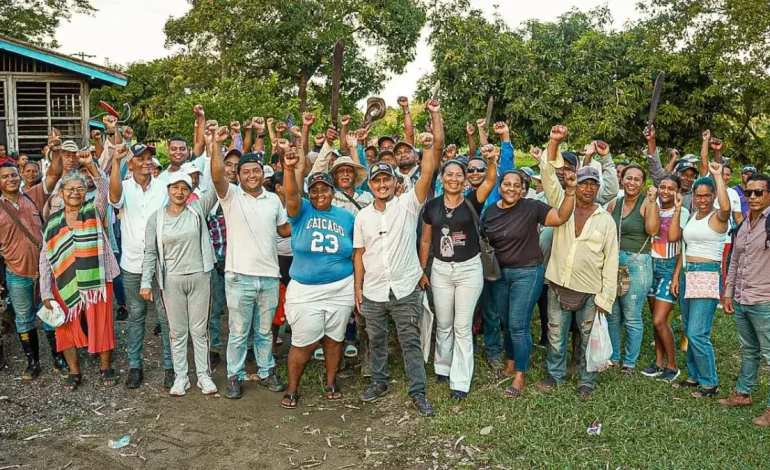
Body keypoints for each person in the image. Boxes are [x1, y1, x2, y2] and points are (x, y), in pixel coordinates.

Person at [354, 99, 442, 417]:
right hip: (375, 289)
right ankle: (379, 382)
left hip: (404, 287)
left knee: (409, 341)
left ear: (394, 182)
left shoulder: (407, 205)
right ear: (372, 184)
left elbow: (428, 172)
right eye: (376, 181)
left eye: (386, 180)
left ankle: (418, 392)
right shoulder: (362, 216)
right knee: (376, 340)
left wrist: (429, 146)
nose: (381, 184)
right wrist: (358, 290)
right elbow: (359, 255)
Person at [209, 122, 291, 399]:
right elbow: (218, 174)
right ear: (239, 176)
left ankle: (267, 371)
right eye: (246, 172)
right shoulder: (230, 196)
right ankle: (234, 375)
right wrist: (215, 144)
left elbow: (284, 229)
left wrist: (305, 217)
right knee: (238, 331)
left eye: (256, 170)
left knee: (265, 331)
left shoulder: (273, 200)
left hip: (269, 276)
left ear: (261, 172)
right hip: (239, 276)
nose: (252, 175)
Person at [537, 125, 619, 398]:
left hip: (589, 290)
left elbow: (610, 261)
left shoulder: (605, 220)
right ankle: (555, 375)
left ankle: (587, 381)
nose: (587, 188)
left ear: (597, 189)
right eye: (583, 183)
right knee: (556, 336)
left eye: (592, 184)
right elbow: (548, 175)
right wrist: (554, 142)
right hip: (559, 284)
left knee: (587, 339)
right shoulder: (563, 203)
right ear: (575, 184)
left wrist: (605, 298)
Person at [483, 162, 576, 397]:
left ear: (523, 189)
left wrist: (570, 192)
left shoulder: (532, 207)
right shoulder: (491, 211)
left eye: (517, 185)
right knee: (506, 322)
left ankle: (519, 377)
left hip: (527, 273)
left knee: (518, 324)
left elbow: (560, 217)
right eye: (507, 184)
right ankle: (511, 361)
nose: (512, 189)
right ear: (500, 187)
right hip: (500, 275)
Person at [280, 142, 356, 409]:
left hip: (341, 287)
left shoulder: (346, 217)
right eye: (314, 189)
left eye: (324, 188)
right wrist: (289, 170)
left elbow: (356, 251)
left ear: (333, 192)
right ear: (309, 193)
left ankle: (331, 381)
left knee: (335, 338)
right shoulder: (301, 212)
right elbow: (290, 194)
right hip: (305, 287)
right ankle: (292, 387)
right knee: (304, 340)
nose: (320, 193)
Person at [418, 146, 498, 400]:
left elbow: (491, 179)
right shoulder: (431, 206)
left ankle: (460, 380)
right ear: (442, 178)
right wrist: (422, 270)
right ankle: (442, 365)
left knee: (462, 326)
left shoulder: (472, 201)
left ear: (464, 180)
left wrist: (490, 160)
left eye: (458, 175)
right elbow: (426, 241)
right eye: (448, 174)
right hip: (441, 269)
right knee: (443, 323)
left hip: (468, 269)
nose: (453, 179)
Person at [39, 154, 120, 390]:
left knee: (102, 323)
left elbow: (104, 190)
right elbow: (45, 259)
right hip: (64, 281)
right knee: (65, 327)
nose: (75, 192)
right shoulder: (52, 222)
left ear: (86, 192)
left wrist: (91, 166)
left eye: (80, 189)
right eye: (70, 189)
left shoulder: (94, 210)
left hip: (97, 281)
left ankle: (105, 367)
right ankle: (74, 372)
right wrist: (45, 291)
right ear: (61, 193)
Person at [141, 168, 219, 396]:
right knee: (176, 331)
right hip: (171, 280)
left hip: (199, 276)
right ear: (168, 189)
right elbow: (150, 252)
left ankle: (204, 376)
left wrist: (213, 145)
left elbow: (215, 188)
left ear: (190, 192)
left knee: (199, 330)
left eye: (185, 188)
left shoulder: (197, 210)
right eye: (175, 187)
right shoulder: (157, 218)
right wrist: (146, 282)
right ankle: (181, 377)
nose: (180, 192)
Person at [0, 131, 66, 380]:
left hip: (45, 271)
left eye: (13, 175)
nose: (11, 179)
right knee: (24, 319)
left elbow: (54, 174)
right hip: (16, 273)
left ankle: (58, 359)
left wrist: (56, 150)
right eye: (5, 177)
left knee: (50, 315)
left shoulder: (33, 195)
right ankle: (33, 362)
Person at [109, 142, 174, 389]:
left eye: (149, 157)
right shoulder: (123, 187)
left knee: (166, 317)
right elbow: (114, 199)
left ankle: (170, 367)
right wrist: (115, 162)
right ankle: (135, 366)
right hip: (132, 264)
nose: (147, 161)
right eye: (141, 158)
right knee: (136, 317)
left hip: (161, 263)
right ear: (131, 163)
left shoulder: (162, 188)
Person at [668, 162, 731, 398]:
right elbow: (675, 237)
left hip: (706, 273)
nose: (702, 200)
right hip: (687, 273)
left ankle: (710, 383)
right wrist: (677, 209)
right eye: (698, 195)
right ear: (692, 196)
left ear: (713, 195)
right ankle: (694, 376)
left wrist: (717, 176)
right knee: (687, 328)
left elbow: (725, 206)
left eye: (707, 195)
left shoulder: (719, 217)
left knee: (697, 332)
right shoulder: (693, 216)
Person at [721, 173, 770, 426]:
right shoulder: (743, 224)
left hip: (765, 301)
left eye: (758, 192)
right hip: (741, 298)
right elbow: (735, 262)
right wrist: (729, 293)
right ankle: (742, 393)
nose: (752, 197)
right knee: (749, 350)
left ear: (768, 194)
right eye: (749, 192)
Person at [606, 164, 660, 373]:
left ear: (643, 183)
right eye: (629, 178)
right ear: (622, 179)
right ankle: (613, 356)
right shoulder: (614, 203)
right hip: (614, 262)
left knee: (631, 314)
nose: (632, 182)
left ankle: (629, 361)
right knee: (613, 313)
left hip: (637, 263)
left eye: (637, 179)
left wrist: (654, 201)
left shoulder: (647, 202)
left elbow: (653, 230)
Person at [642, 174, 687, 382]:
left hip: (670, 267)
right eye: (662, 187)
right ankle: (658, 362)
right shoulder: (654, 207)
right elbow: (650, 230)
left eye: (671, 188)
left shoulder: (683, 212)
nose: (666, 191)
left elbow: (676, 241)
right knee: (655, 320)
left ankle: (672, 365)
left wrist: (677, 275)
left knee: (660, 320)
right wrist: (652, 201)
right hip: (651, 265)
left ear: (678, 191)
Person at [206, 147, 242, 366]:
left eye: (236, 166)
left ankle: (244, 348)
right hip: (216, 260)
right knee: (214, 307)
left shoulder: (245, 194)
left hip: (240, 261)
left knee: (241, 309)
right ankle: (214, 347)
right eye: (227, 164)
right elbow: (203, 231)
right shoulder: (211, 195)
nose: (231, 169)